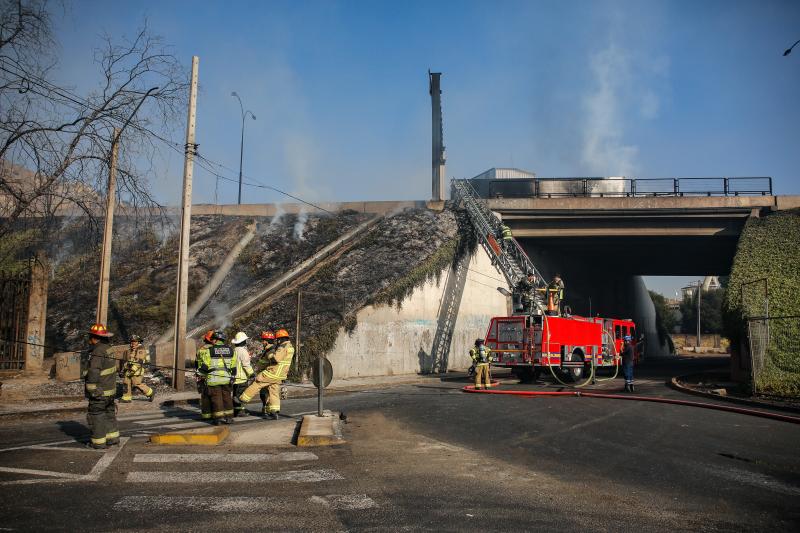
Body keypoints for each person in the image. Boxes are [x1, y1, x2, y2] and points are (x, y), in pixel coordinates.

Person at [239, 329, 294, 420]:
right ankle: (274, 411)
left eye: (264, 340)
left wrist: (270, 355)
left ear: (280, 339)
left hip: (273, 372)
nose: (277, 341)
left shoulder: (281, 347)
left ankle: (243, 399)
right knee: (274, 392)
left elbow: (276, 359)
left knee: (257, 382)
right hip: (281, 374)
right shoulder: (290, 346)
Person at [83, 323, 119, 449]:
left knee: (96, 415)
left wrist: (92, 390)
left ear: (94, 337)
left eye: (90, 337)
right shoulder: (109, 348)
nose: (89, 339)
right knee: (109, 414)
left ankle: (98, 443)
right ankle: (112, 438)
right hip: (110, 391)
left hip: (100, 392)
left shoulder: (97, 351)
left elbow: (94, 371)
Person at [196, 331, 238, 425]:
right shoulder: (231, 350)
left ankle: (218, 418)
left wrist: (199, 373)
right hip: (226, 379)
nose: (212, 341)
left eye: (213, 339)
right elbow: (233, 366)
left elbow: (205, 366)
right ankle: (229, 417)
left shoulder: (209, 351)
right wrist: (232, 376)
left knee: (216, 398)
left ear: (216, 340)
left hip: (213, 379)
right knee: (227, 397)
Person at [120, 334, 154, 403]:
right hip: (129, 370)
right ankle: (126, 398)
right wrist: (123, 370)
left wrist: (132, 370)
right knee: (126, 383)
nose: (133, 343)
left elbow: (139, 361)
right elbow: (127, 361)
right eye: (132, 341)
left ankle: (150, 392)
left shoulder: (141, 349)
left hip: (137, 371)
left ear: (138, 342)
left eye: (135, 341)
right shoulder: (130, 350)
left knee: (136, 384)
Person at [231, 331, 254, 417]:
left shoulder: (234, 350)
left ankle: (236, 411)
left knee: (235, 394)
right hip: (242, 378)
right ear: (243, 341)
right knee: (240, 396)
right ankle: (240, 411)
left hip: (234, 378)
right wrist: (252, 374)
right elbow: (246, 365)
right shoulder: (243, 351)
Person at [195, 330, 215, 422]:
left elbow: (196, 363)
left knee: (204, 396)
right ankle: (215, 412)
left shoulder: (200, 349)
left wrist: (198, 374)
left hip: (201, 375)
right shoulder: (214, 350)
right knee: (214, 395)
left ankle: (206, 415)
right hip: (212, 375)